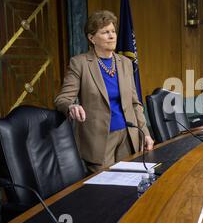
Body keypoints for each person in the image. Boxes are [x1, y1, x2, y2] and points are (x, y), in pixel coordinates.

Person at [55, 10, 154, 173]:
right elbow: (62, 99)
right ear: (92, 38)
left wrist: (145, 134)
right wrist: (71, 107)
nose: (112, 36)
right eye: (105, 32)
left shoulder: (125, 63)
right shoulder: (80, 63)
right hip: (99, 141)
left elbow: (135, 104)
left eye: (113, 31)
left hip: (128, 138)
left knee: (131, 185)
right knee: (106, 190)